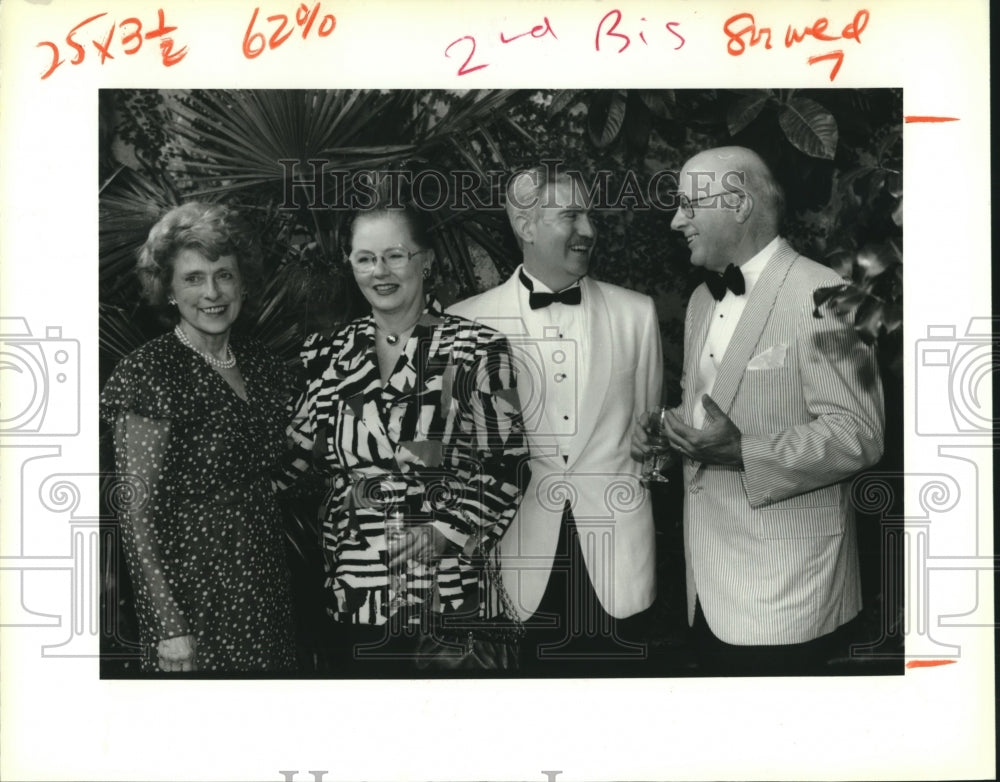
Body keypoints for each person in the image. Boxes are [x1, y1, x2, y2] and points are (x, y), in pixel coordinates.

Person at [634, 146, 885, 675]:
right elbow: (712, 412)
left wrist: (744, 451)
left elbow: (860, 434)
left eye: (687, 204)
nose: (676, 219)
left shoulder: (827, 293)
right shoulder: (703, 301)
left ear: (739, 203)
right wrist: (671, 434)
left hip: (789, 593)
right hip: (706, 585)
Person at [280, 198, 528, 673]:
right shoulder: (326, 354)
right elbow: (292, 457)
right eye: (365, 258)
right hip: (354, 594)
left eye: (395, 255)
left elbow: (509, 465)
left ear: (425, 259)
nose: (381, 271)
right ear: (350, 263)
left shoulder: (476, 348)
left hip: (447, 597)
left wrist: (445, 532)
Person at [448, 165, 663, 674]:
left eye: (590, 215)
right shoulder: (464, 323)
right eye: (570, 215)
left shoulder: (638, 314)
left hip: (618, 562)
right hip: (517, 562)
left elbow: (649, 435)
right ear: (525, 226)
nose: (588, 229)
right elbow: (459, 455)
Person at [101, 202, 297, 673]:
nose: (212, 292)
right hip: (192, 601)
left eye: (224, 275)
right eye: (193, 278)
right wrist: (168, 626)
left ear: (243, 283)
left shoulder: (264, 366)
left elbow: (285, 469)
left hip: (266, 587)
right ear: (168, 288)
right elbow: (136, 511)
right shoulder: (149, 372)